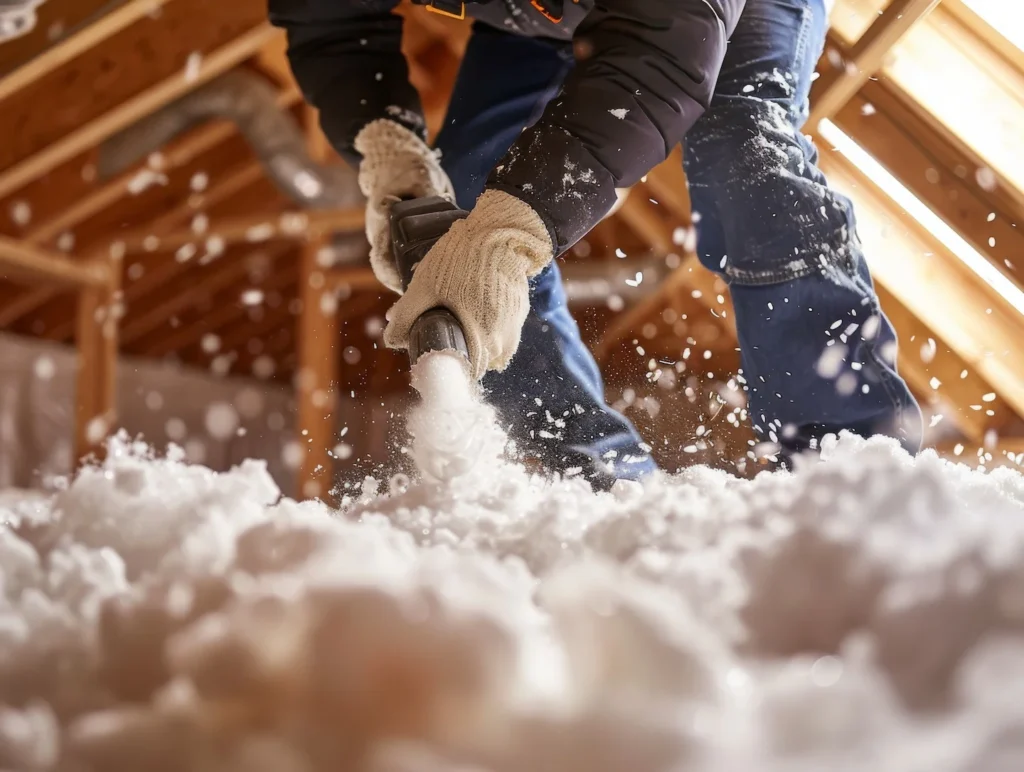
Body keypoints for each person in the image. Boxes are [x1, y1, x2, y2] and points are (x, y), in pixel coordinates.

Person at [268, 0, 923, 486]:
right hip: (537, 16)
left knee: (744, 150)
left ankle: (847, 464)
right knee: (469, 190)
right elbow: (332, 20)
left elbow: (663, 56)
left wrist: (511, 233)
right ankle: (597, 473)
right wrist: (387, 142)